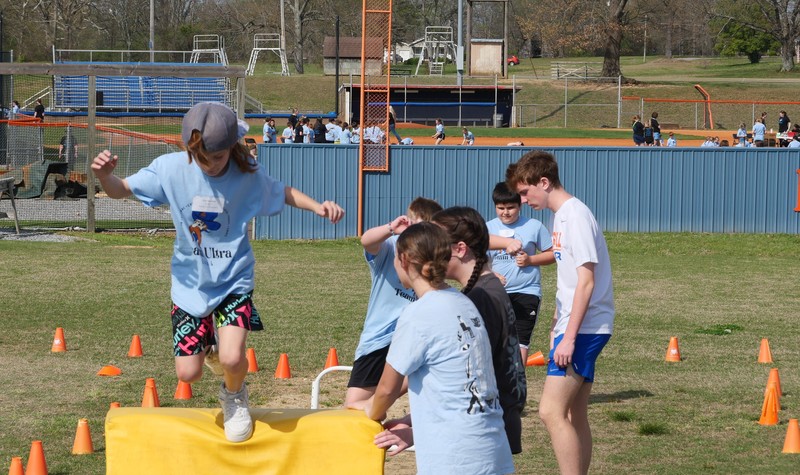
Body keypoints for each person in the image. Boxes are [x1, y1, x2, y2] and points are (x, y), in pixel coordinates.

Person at [90, 102, 344, 443]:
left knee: (234, 356)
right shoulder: (169, 169)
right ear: (189, 149)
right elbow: (121, 190)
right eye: (203, 158)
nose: (210, 165)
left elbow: (281, 192)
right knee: (188, 373)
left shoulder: (247, 174)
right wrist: (105, 176)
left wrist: (318, 206)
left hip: (233, 280)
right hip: (189, 285)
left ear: (232, 148)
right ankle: (209, 352)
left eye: (219, 157)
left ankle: (234, 396)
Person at [348, 222, 515, 475]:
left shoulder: (418, 314)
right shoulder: (464, 302)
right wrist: (414, 430)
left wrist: (368, 408)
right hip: (492, 449)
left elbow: (387, 388)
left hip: (455, 458)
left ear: (403, 260)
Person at [506, 150, 614, 475]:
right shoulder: (561, 216)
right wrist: (557, 321)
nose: (523, 200)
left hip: (585, 329)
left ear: (544, 182)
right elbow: (563, 263)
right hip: (576, 326)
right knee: (573, 414)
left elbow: (586, 281)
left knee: (550, 412)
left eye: (526, 192)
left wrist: (568, 337)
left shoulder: (576, 216)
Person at [433, 206, 528, 455]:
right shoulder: (487, 287)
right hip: (498, 415)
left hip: (486, 423)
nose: (431, 253)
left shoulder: (480, 297)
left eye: (437, 245)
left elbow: (467, 370)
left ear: (460, 249)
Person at [344, 197, 443, 408]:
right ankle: (378, 404)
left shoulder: (432, 258)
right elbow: (367, 241)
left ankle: (382, 402)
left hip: (411, 334)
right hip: (378, 338)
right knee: (354, 403)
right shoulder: (391, 247)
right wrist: (391, 228)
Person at [486, 182, 555, 363]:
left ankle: (517, 386)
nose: (505, 212)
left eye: (511, 207)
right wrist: (491, 275)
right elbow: (477, 260)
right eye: (500, 208)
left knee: (521, 340)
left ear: (520, 205)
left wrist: (530, 260)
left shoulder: (534, 226)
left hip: (527, 291)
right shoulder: (487, 229)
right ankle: (498, 384)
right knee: (495, 339)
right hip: (496, 292)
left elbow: (553, 254)